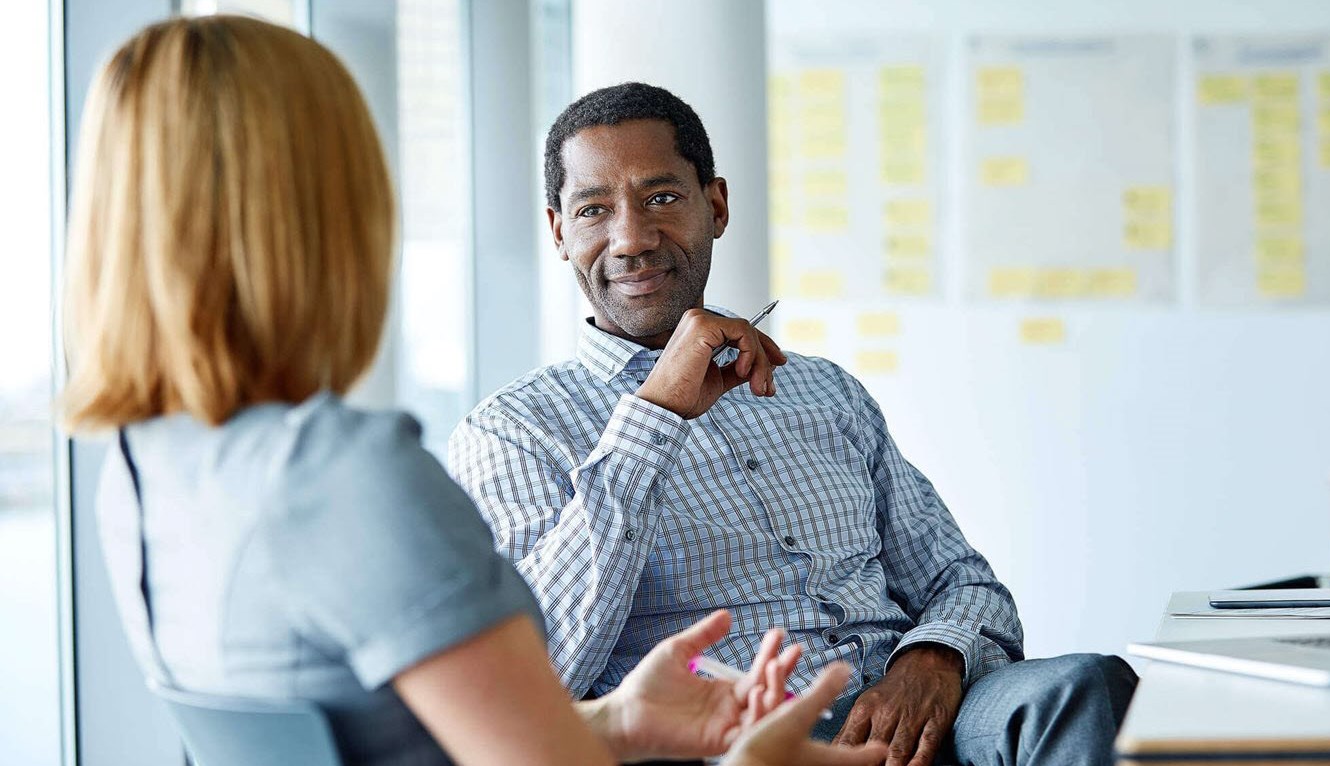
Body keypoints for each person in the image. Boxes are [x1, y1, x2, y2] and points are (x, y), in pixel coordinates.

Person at [60, 16, 884, 766]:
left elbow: (394, 745)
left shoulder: (145, 471)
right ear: (324, 211)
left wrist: (619, 723)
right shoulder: (346, 476)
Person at [448, 81, 1138, 766]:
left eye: (662, 198)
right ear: (559, 232)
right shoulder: (511, 433)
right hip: (738, 744)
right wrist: (651, 418)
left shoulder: (824, 391)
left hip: (920, 724)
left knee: (1080, 689)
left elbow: (965, 582)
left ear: (715, 206)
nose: (631, 237)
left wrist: (931, 660)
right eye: (594, 210)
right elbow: (543, 675)